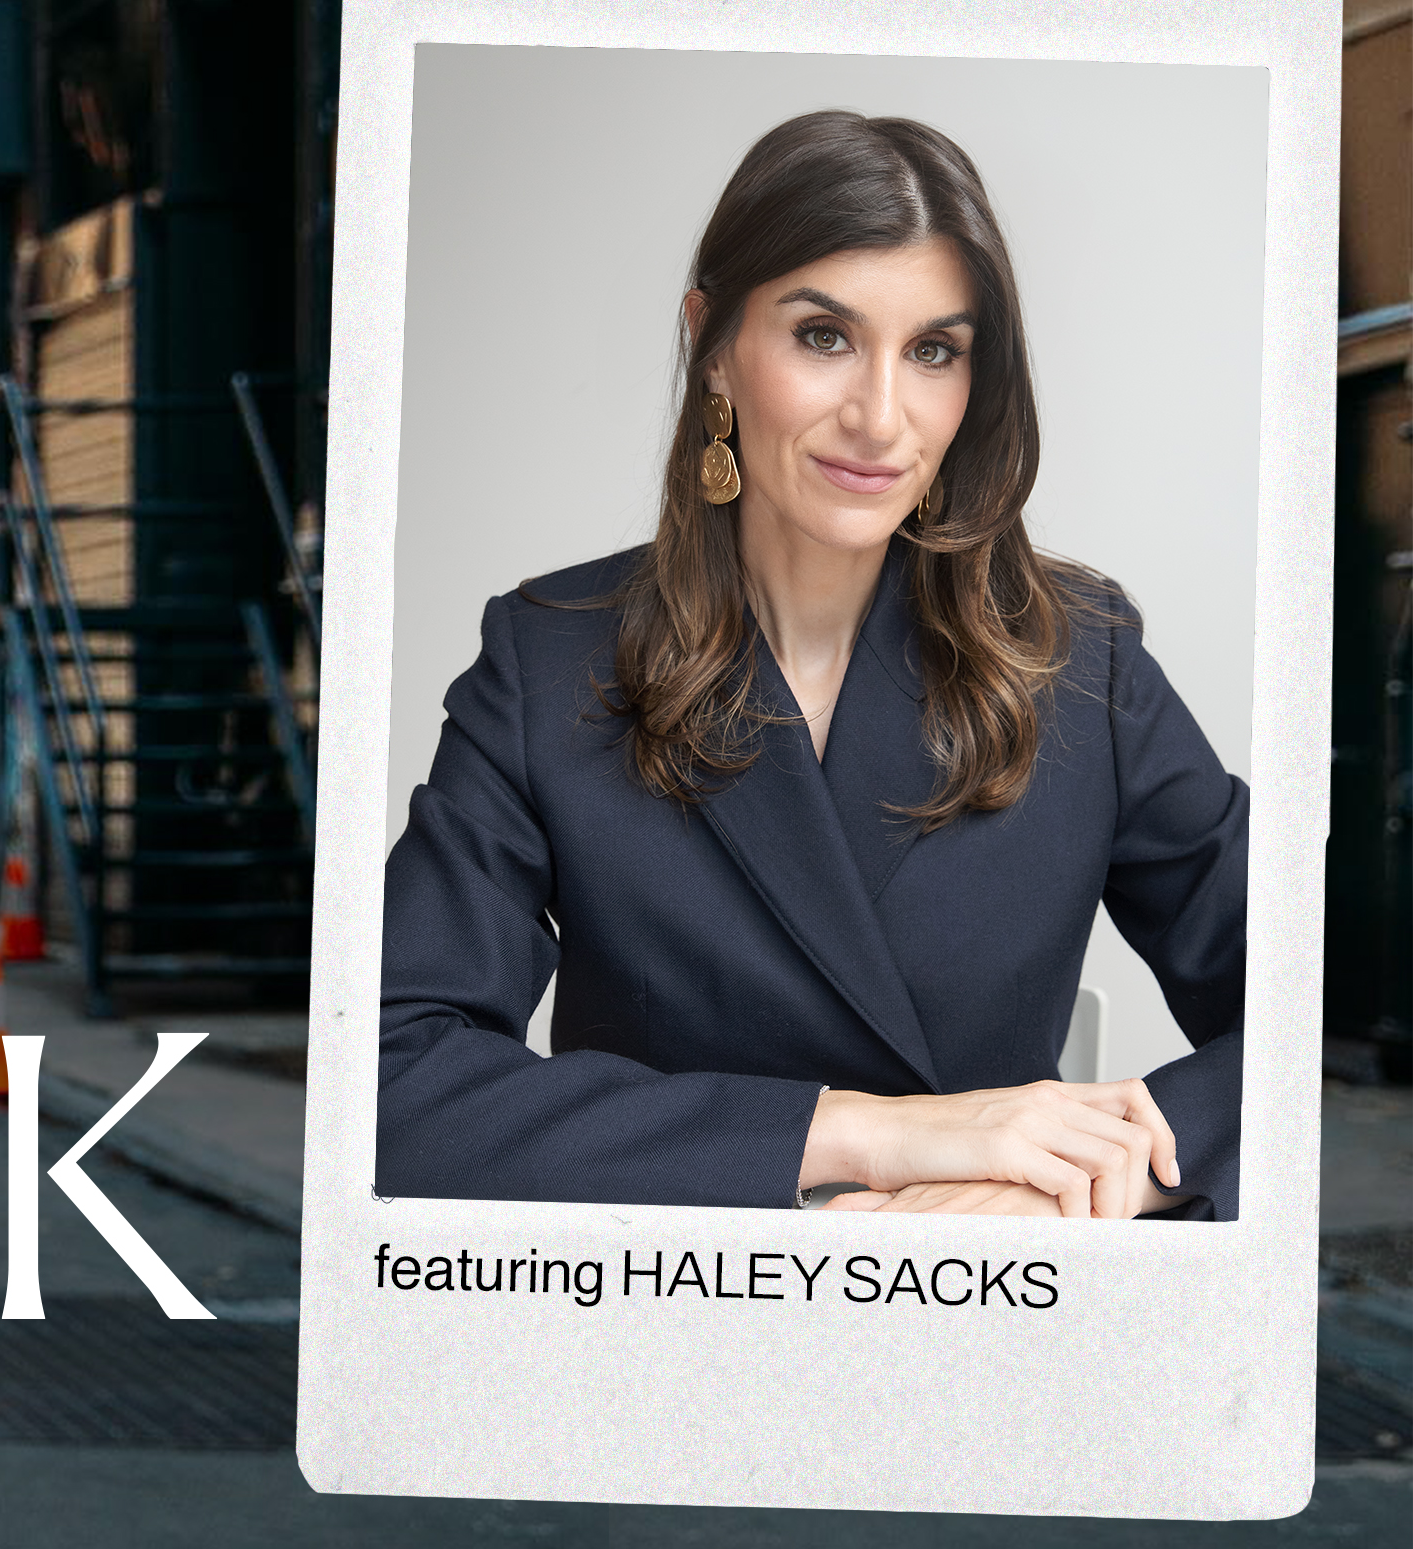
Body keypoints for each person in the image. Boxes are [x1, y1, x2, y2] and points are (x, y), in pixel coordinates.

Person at [376, 111, 1245, 1223]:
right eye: (824, 336)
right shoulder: (549, 660)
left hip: (991, 1329)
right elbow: (397, 1079)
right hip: (651, 1329)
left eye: (934, 350)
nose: (881, 417)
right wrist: (873, 1135)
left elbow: (1306, 1009)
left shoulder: (1079, 661)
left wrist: (1083, 1176)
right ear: (714, 343)